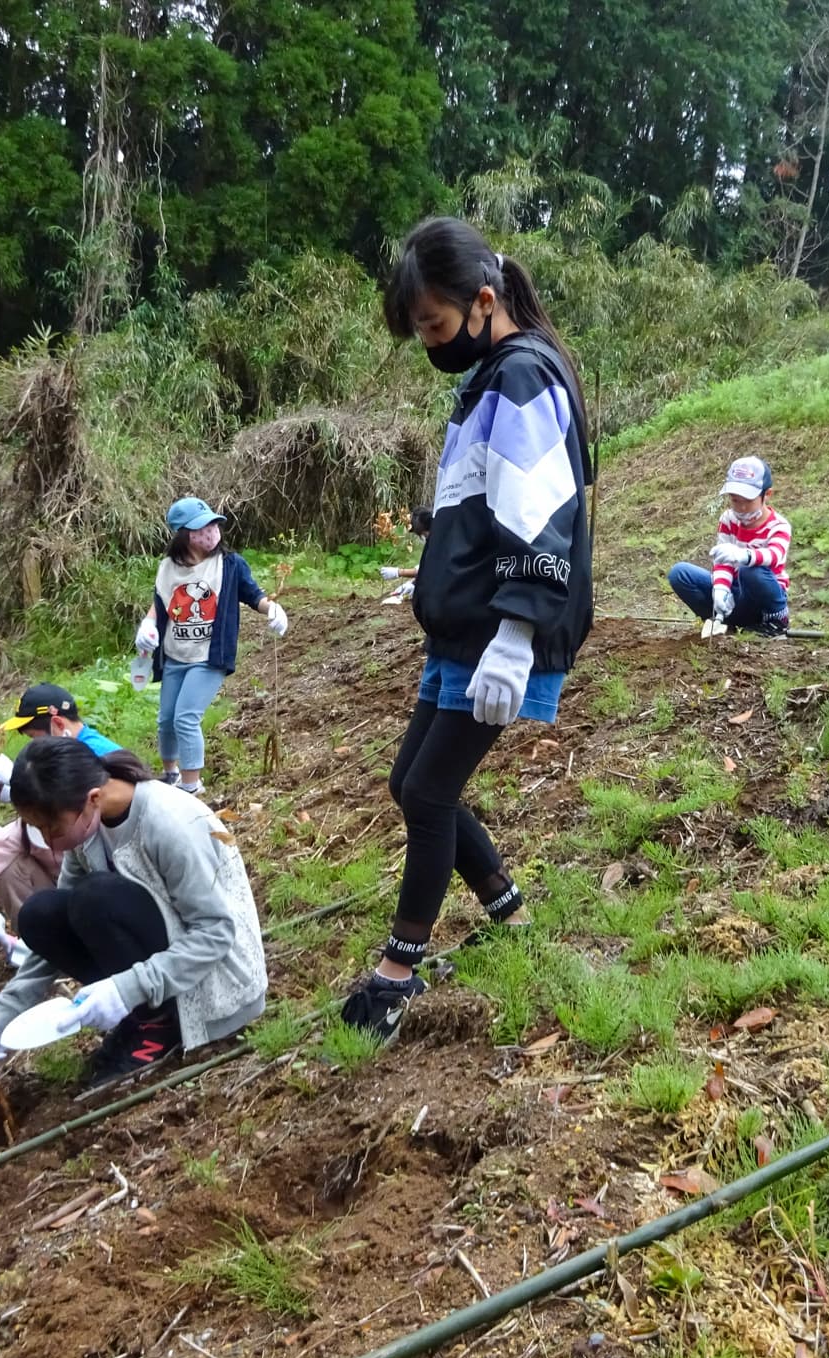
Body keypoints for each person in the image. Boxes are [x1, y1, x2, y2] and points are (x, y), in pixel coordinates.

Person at [347, 216, 593, 1041]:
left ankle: (399, 970)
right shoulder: (491, 375)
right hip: (463, 626)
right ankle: (507, 910)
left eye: (435, 326)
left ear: (483, 301)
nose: (430, 344)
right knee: (410, 784)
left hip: (496, 630)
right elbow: (482, 498)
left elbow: (540, 514)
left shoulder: (521, 376)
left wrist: (517, 636)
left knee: (427, 792)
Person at [0, 739, 266, 1086]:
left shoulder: (170, 823)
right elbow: (56, 931)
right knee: (39, 913)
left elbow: (215, 932)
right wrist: (3, 1017)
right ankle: (142, 1016)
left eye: (52, 829)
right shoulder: (87, 828)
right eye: (38, 829)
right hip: (160, 958)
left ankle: (157, 1024)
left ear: (92, 799)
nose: (48, 840)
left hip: (216, 985)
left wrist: (127, 988)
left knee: (94, 896)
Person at [135, 497, 289, 796]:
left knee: (185, 717)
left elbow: (253, 595)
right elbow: (161, 604)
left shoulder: (230, 565)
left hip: (208, 656)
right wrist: (148, 625)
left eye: (213, 524)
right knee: (166, 719)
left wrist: (272, 609)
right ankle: (170, 774)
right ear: (184, 535)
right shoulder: (168, 568)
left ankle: (191, 786)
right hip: (175, 655)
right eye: (201, 527)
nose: (211, 532)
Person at [0, 685, 126, 937]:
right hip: (70, 864)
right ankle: (40, 943)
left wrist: (13, 780)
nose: (34, 746)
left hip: (105, 871)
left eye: (34, 737)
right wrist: (7, 793)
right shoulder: (62, 754)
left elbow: (89, 812)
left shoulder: (99, 755)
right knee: (10, 868)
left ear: (58, 724)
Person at [667, 457, 793, 638]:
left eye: (748, 501)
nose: (741, 508)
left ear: (767, 495)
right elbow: (723, 561)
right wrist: (721, 588)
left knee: (749, 570)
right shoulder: (728, 519)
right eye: (735, 500)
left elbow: (774, 555)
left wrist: (744, 556)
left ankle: (775, 622)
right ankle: (720, 619)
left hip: (760, 597)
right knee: (680, 574)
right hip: (736, 595)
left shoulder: (779, 525)